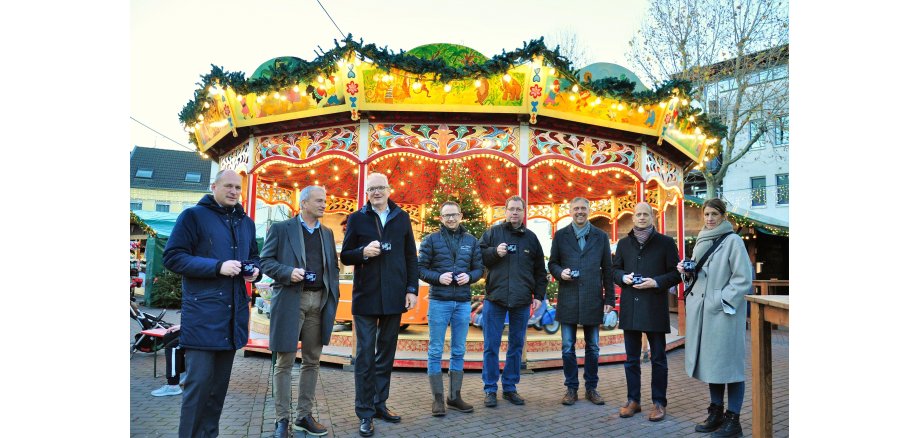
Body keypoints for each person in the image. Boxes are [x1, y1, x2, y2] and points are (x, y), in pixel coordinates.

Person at [163, 169, 262, 438]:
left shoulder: (246, 222)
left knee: (217, 392)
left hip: (232, 319)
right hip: (203, 318)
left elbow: (254, 256)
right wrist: (217, 267)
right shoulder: (193, 216)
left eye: (238, 188)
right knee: (198, 389)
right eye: (228, 186)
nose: (233, 192)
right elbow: (172, 257)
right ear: (214, 186)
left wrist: (255, 271)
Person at [340, 173, 419, 437]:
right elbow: (346, 255)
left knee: (386, 354)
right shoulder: (357, 218)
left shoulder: (402, 217)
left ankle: (379, 404)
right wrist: (363, 253)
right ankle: (364, 412)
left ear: (389, 189)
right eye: (371, 188)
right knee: (364, 356)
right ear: (366, 192)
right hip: (366, 296)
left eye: (380, 188)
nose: (376, 192)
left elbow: (411, 256)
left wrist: (411, 289)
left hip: (395, 296)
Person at [260, 185, 341, 437]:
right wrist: (287, 272)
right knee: (284, 362)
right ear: (303, 203)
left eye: (325, 200)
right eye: (319, 200)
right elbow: (265, 261)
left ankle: (303, 416)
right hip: (290, 300)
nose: (324, 204)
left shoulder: (327, 233)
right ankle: (282, 419)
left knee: (312, 361)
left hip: (319, 301)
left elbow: (333, 268)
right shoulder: (281, 229)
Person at [678, 198, 752, 438]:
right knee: (714, 364)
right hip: (704, 314)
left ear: (723, 216)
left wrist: (720, 300)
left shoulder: (734, 241)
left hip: (724, 314)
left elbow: (743, 279)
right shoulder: (701, 240)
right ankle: (716, 413)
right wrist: (687, 272)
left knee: (730, 366)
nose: (709, 218)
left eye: (714, 214)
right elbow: (699, 277)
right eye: (706, 214)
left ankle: (734, 420)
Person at [612, 201, 680, 422]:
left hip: (654, 307)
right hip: (631, 307)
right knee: (631, 359)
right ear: (633, 218)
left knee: (658, 358)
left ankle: (659, 403)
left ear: (653, 217)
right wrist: (623, 277)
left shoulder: (666, 243)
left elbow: (676, 273)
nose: (641, 217)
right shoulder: (623, 244)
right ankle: (633, 400)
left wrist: (656, 282)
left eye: (645, 214)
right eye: (638, 214)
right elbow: (614, 270)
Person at [478, 195, 548, 407]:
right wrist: (494, 252)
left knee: (516, 345)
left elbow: (540, 271)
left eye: (519, 209)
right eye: (511, 209)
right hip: (495, 298)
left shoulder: (531, 239)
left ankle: (510, 387)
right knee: (491, 345)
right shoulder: (493, 233)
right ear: (505, 211)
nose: (515, 213)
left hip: (521, 300)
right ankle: (490, 388)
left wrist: (539, 296)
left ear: (524, 212)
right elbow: (478, 256)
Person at [417, 201, 484, 416]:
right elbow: (419, 268)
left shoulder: (471, 241)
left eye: (454, 215)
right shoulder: (431, 240)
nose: (451, 219)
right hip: (439, 301)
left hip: (463, 302)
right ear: (441, 218)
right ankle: (438, 399)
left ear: (461, 215)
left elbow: (479, 269)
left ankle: (454, 396)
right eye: (447, 216)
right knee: (435, 350)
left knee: (458, 350)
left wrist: (471, 277)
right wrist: (438, 277)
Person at [547, 197, 615, 406]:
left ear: (589, 210)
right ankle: (571, 388)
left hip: (593, 298)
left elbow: (608, 269)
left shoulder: (601, 236)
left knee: (593, 347)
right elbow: (552, 264)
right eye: (576, 208)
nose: (579, 212)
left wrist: (609, 298)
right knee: (568, 346)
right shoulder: (560, 236)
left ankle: (591, 388)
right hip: (568, 298)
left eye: (583, 208)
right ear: (570, 211)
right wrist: (560, 273)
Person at [150, 325, 186, 397]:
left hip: (204, 332)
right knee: (168, 336)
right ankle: (183, 373)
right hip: (196, 329)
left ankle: (173, 385)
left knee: (172, 347)